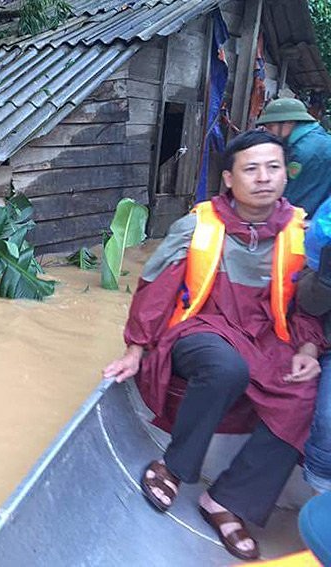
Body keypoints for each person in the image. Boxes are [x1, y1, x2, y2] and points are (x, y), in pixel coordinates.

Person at [103, 129, 325, 561]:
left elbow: (310, 308)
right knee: (225, 367)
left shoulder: (303, 233)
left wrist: (309, 349)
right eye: (251, 168)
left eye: (273, 167)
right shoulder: (197, 224)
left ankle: (226, 501)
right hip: (201, 328)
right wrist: (135, 348)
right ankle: (175, 467)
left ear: (285, 175)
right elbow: (155, 288)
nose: (263, 177)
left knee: (303, 395)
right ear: (228, 178)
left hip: (267, 339)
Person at [296, 196, 331, 494]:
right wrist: (326, 279)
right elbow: (308, 304)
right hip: (327, 339)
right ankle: (321, 499)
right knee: (329, 420)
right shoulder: (325, 225)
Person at [256, 98, 331, 218]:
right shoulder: (321, 139)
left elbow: (293, 200)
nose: (269, 132)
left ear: (289, 122)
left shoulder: (302, 152)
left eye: (271, 126)